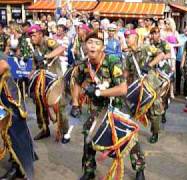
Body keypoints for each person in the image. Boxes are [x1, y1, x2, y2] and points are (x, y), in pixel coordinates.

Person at [70, 32, 133, 179]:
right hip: (97, 109)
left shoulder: (113, 61)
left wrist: (99, 92)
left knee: (128, 138)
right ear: (85, 46)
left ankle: (140, 168)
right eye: (90, 42)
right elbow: (77, 84)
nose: (92, 45)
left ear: (103, 47)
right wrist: (75, 104)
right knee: (88, 136)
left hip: (116, 106)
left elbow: (123, 89)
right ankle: (89, 170)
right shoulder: (83, 64)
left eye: (97, 43)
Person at [28, 25, 70, 142]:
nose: (32, 38)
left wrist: (46, 56)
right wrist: (31, 75)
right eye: (31, 36)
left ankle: (64, 132)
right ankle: (44, 129)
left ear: (41, 34)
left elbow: (61, 49)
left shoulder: (47, 41)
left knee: (60, 106)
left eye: (34, 35)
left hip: (55, 79)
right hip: (42, 82)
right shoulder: (35, 47)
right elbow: (35, 65)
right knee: (39, 105)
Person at [0, 59, 36, 179]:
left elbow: (4, 65)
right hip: (4, 99)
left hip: (8, 98)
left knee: (15, 133)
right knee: (7, 132)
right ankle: (18, 164)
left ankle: (22, 169)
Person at [142, 27, 171, 143]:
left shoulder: (164, 43)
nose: (155, 35)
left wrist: (161, 56)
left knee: (163, 97)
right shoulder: (149, 44)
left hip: (163, 70)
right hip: (152, 74)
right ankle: (156, 118)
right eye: (153, 33)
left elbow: (168, 54)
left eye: (156, 33)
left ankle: (162, 115)